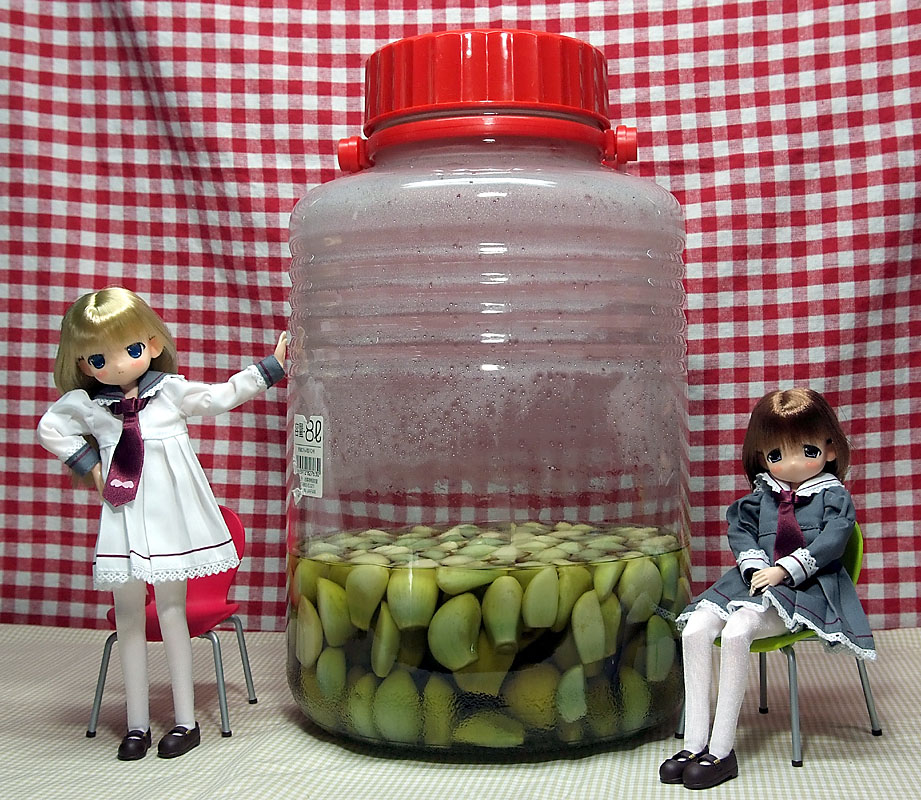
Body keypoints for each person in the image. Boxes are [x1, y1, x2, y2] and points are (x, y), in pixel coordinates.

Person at [37, 287, 287, 760]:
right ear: (84, 363)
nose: (116, 365)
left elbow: (218, 397)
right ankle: (136, 725)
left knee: (173, 614)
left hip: (171, 517)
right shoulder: (91, 406)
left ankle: (185, 721)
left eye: (130, 349)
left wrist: (269, 368)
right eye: (98, 359)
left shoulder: (169, 392)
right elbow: (51, 426)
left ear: (152, 344)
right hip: (124, 517)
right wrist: (91, 465)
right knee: (129, 617)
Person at [659, 388, 876, 789]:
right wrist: (755, 564)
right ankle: (693, 744)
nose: (790, 464)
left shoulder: (833, 498)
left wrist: (785, 570)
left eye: (807, 451)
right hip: (751, 583)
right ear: (761, 457)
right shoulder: (763, 497)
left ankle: (721, 751)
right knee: (694, 630)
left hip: (806, 588)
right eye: (776, 455)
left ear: (830, 449)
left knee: (738, 632)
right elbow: (740, 530)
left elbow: (833, 541)